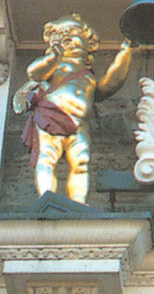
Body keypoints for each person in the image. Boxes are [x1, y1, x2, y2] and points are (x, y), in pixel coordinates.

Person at [13, 14, 135, 204]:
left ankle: (78, 202)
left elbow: (111, 83)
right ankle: (47, 198)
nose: (67, 38)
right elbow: (34, 72)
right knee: (46, 158)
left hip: (79, 125)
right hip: (50, 116)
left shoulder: (89, 78)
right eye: (61, 35)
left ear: (89, 44)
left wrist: (125, 53)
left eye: (74, 33)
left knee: (81, 163)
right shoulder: (55, 68)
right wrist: (54, 57)